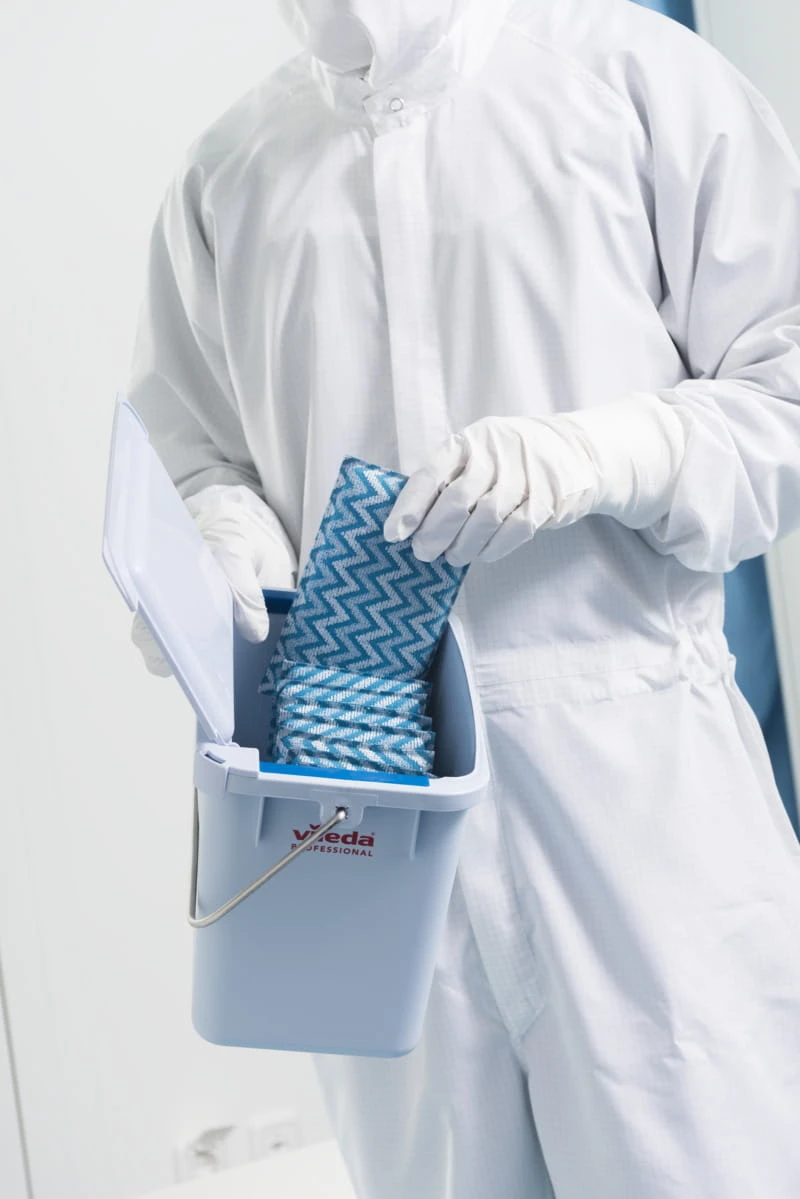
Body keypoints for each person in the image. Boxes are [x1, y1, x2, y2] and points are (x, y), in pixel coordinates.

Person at [126, 1, 800, 1194]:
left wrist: (604, 452)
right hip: (364, 813)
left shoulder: (633, 82)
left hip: (633, 790)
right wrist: (223, 532)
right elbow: (192, 453)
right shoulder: (227, 174)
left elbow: (781, 392)